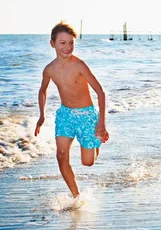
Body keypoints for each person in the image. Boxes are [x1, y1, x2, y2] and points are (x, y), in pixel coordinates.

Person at [35, 22, 109, 198]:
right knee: (61, 155)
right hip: (65, 115)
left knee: (88, 162)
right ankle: (77, 196)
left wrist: (101, 124)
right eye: (63, 43)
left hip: (86, 115)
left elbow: (100, 92)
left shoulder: (79, 65)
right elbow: (42, 91)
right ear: (52, 44)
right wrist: (41, 115)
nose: (68, 47)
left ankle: (95, 142)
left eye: (71, 43)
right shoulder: (49, 70)